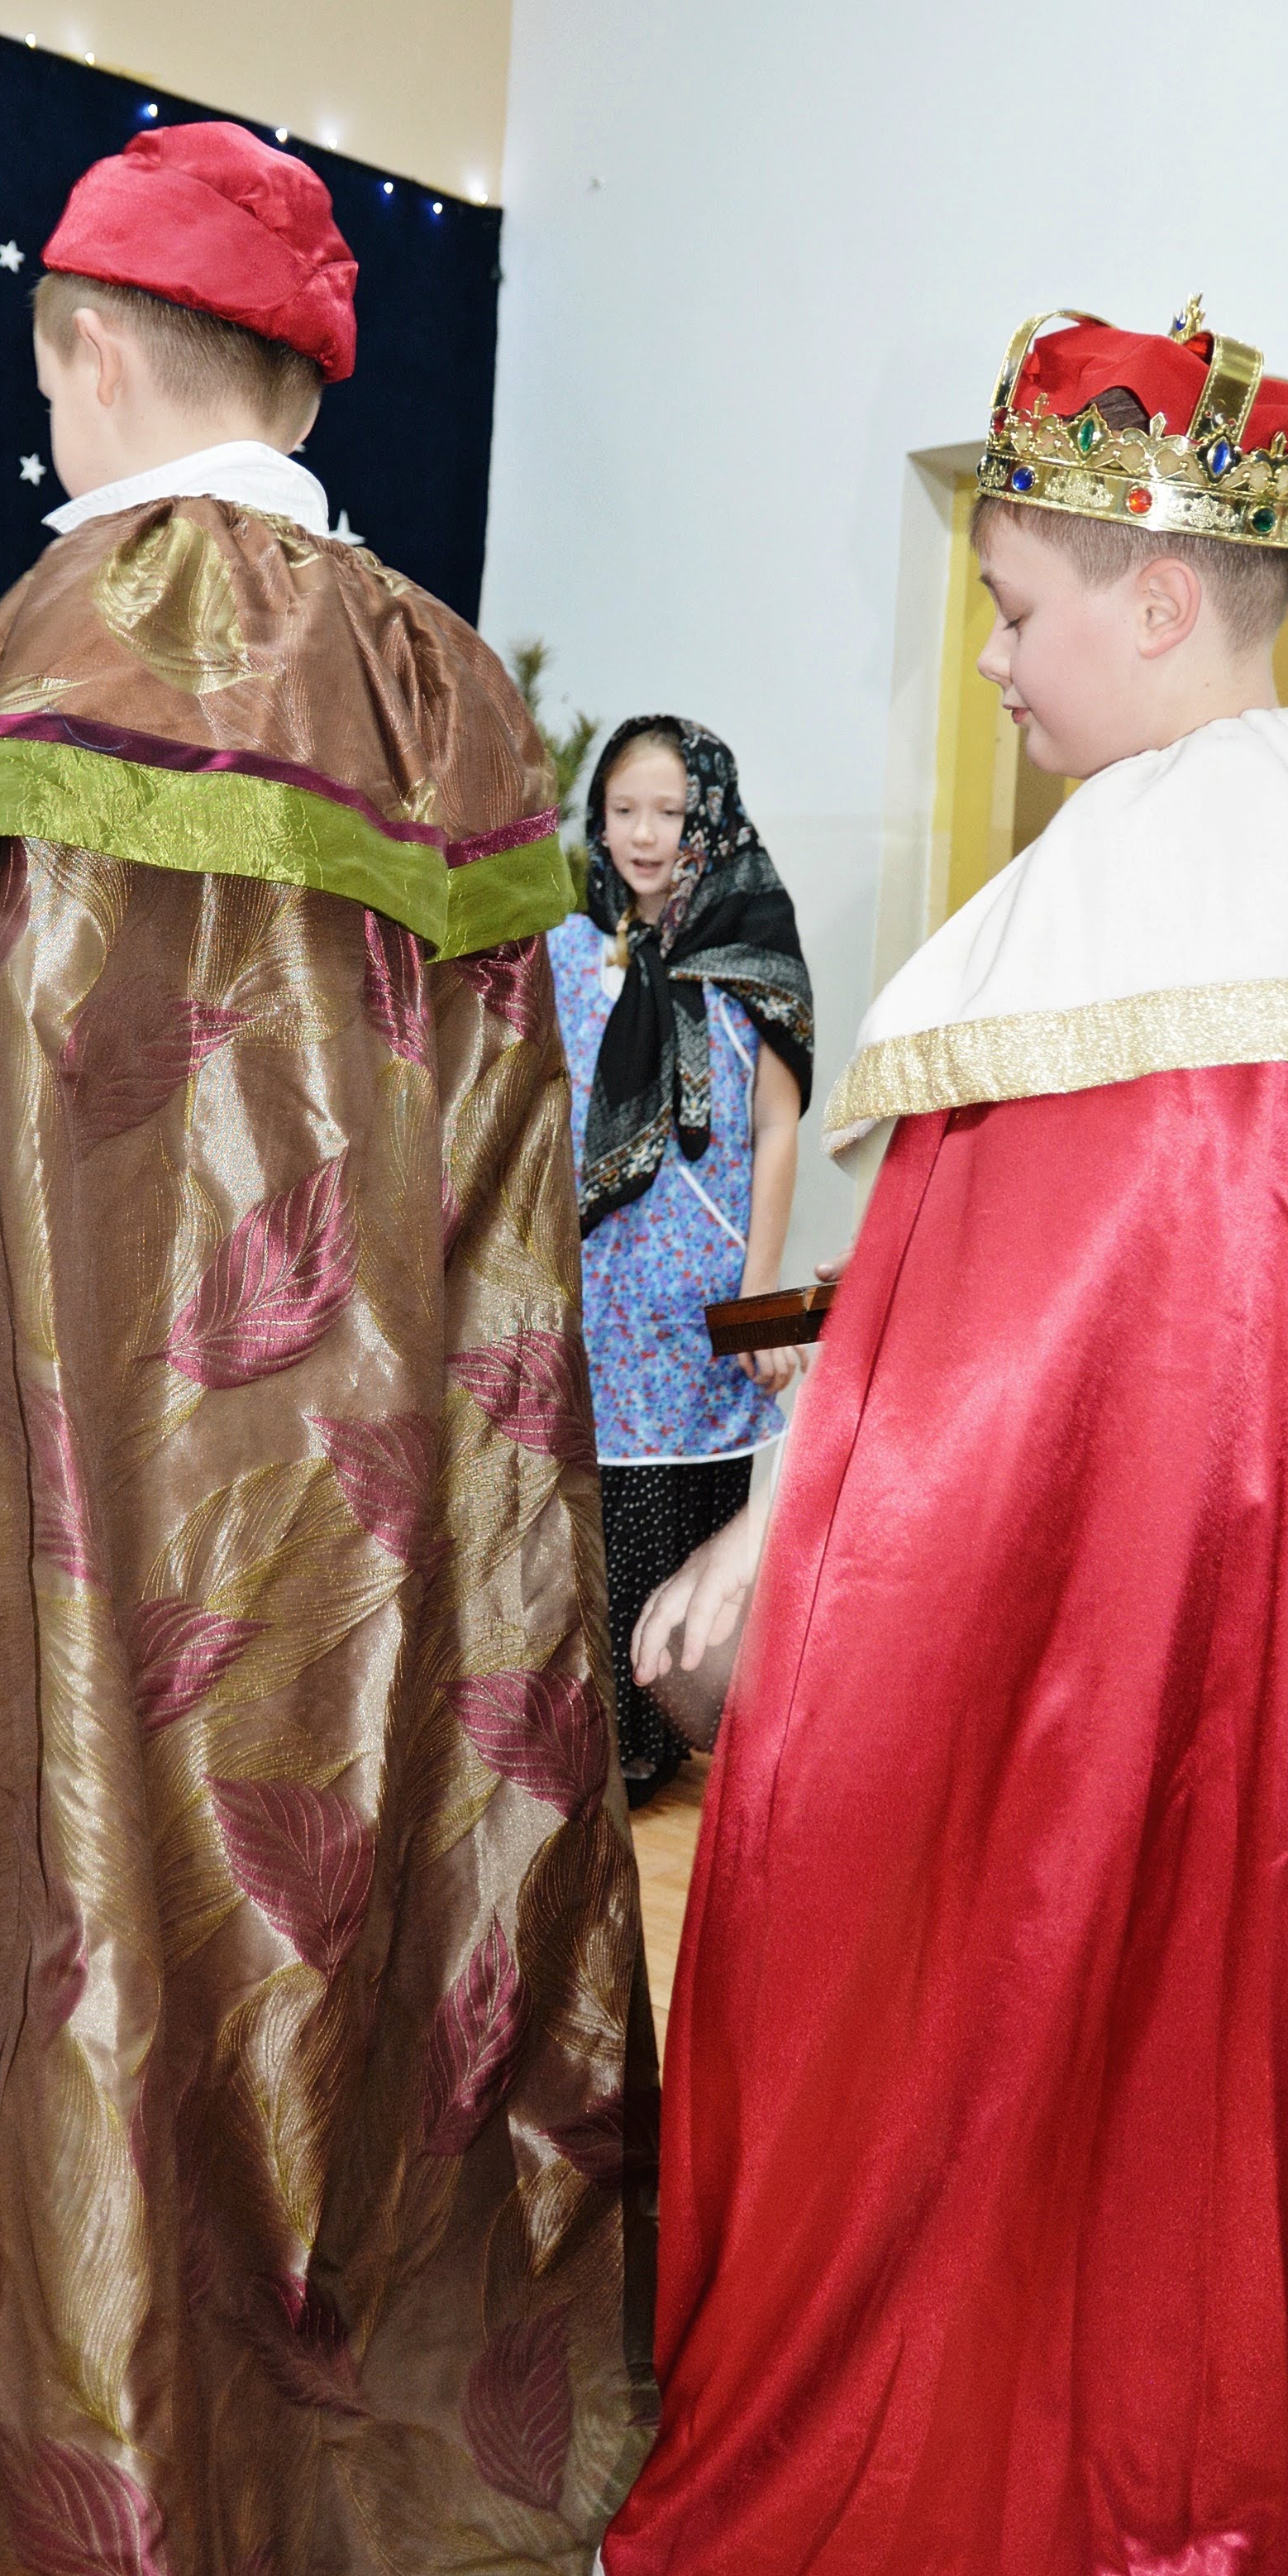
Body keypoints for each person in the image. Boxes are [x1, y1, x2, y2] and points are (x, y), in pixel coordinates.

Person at [0, 121, 656, 2576]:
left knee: (98, 1918)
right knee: (359, 1918)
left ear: (84, 349)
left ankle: (105, 2504)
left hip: (101, 1527)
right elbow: (503, 1211)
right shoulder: (438, 677)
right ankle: (366, 2386)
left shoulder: (55, 649)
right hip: (386, 1527)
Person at [581, 303, 1288, 2576]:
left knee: (925, 1973)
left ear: (1153, 592)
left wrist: (786, 1556)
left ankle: (989, 2525)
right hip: (1238, 1646)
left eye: (1012, 609)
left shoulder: (1167, 893)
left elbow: (1002, 1382)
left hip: (1063, 1650)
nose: (989, 665)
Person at [547, 718, 811, 1804]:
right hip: (596, 1290)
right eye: (624, 811)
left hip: (706, 1293)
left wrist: (762, 1300)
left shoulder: (754, 953)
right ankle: (604, 1741)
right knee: (601, 1509)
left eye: (670, 812)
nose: (645, 835)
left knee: (689, 1507)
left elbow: (778, 1129)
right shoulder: (568, 952)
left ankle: (665, 1734)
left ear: (713, 819)